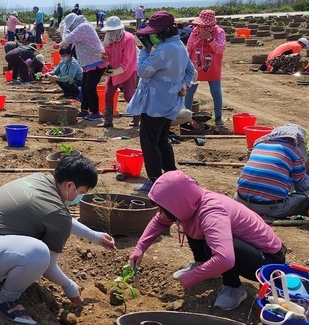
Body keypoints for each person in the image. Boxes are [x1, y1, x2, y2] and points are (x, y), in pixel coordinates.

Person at [0, 155, 116, 324]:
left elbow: (56, 218)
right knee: (39, 254)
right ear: (70, 185)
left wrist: (95, 236)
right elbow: (47, 266)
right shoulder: (57, 213)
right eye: (83, 192)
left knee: (34, 257)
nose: (81, 197)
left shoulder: (40, 180)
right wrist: (68, 285)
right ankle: (7, 300)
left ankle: (6, 273)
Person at [129, 170, 287, 310]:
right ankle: (204, 265)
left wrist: (193, 276)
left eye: (163, 208)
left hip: (268, 261)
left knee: (222, 247)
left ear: (177, 202)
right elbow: (160, 220)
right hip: (247, 250)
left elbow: (225, 259)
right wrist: (140, 248)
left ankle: (233, 288)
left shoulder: (212, 212)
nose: (161, 212)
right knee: (194, 225)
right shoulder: (190, 201)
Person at [125, 10, 195, 192]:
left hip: (155, 102)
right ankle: (171, 175)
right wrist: (184, 86)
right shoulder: (179, 45)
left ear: (162, 32)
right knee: (162, 139)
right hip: (170, 100)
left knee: (149, 142)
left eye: (154, 32)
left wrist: (144, 51)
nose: (153, 35)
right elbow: (191, 71)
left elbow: (142, 71)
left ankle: (154, 179)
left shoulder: (163, 50)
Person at [235, 124, 309, 218]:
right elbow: (303, 187)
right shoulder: (293, 152)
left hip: (240, 202)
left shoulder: (259, 146)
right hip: (270, 208)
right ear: (296, 140)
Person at [58, 13, 105, 120]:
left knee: (90, 87)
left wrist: (63, 33)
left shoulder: (83, 27)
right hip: (88, 64)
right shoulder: (80, 28)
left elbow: (68, 38)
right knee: (84, 86)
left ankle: (95, 112)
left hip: (96, 62)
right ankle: (84, 110)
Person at [184, 10, 227, 126]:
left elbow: (220, 49)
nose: (201, 28)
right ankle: (186, 117)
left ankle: (218, 117)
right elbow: (189, 49)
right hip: (195, 67)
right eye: (200, 25)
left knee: (216, 92)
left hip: (213, 67)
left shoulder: (219, 32)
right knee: (188, 92)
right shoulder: (194, 33)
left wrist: (210, 39)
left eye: (204, 26)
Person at [97, 16, 138, 128]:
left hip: (127, 70)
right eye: (109, 31)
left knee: (128, 95)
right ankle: (108, 120)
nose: (110, 33)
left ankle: (137, 116)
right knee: (108, 94)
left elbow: (128, 59)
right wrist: (104, 56)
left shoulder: (128, 39)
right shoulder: (109, 38)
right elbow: (107, 51)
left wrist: (119, 70)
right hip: (113, 70)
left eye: (112, 30)